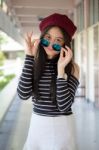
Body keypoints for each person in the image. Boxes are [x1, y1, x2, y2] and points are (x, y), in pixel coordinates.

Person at [17, 13, 80, 150]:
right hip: (38, 125)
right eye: (47, 38)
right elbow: (23, 94)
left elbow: (64, 106)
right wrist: (29, 56)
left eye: (58, 41)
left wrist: (61, 70)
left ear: (65, 44)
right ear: (41, 38)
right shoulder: (34, 63)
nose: (51, 45)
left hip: (63, 127)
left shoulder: (73, 68)